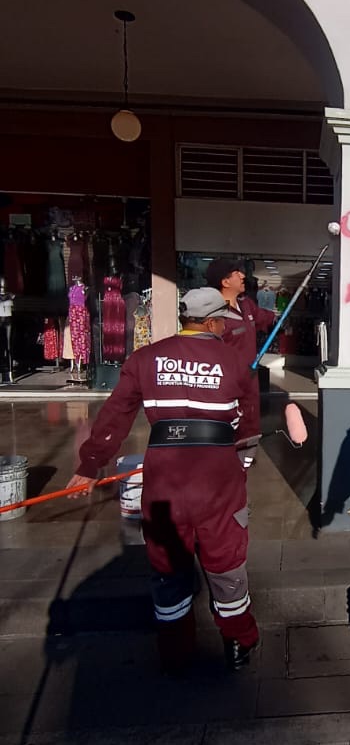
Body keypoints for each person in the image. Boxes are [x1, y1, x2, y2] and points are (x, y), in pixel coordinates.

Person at [66, 287, 260, 675]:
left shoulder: (145, 359)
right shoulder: (236, 362)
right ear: (210, 322)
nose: (224, 325)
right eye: (222, 320)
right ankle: (238, 641)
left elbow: (115, 416)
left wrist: (90, 464)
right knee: (225, 565)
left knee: (168, 569)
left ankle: (175, 654)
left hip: (165, 484)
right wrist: (243, 463)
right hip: (218, 484)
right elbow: (247, 424)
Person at [205, 257, 276, 467]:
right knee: (228, 434)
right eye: (237, 273)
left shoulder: (246, 305)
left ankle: (243, 469)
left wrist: (277, 318)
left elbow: (264, 317)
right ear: (225, 282)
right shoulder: (214, 315)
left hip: (249, 385)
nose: (243, 276)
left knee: (250, 428)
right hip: (228, 388)